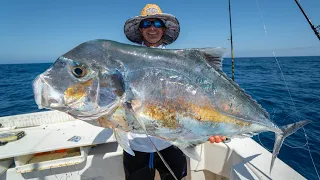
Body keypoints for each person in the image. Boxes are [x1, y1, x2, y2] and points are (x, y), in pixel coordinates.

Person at [123, 4, 226, 180]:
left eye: (157, 23)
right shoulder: (126, 62)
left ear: (163, 29)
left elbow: (197, 99)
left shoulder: (181, 63)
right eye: (147, 24)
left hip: (173, 142)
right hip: (136, 145)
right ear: (141, 30)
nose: (152, 28)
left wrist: (217, 123)